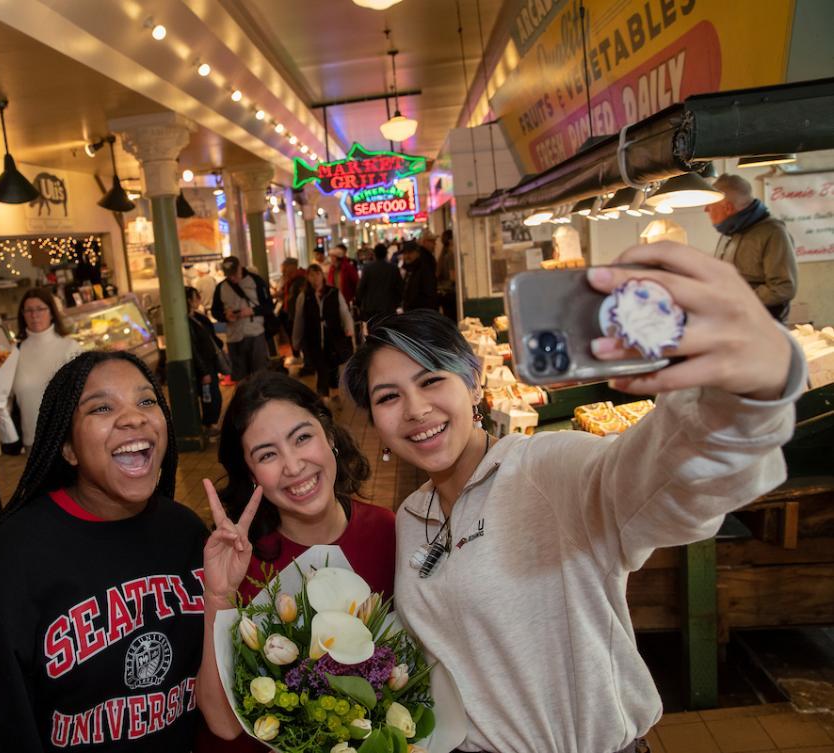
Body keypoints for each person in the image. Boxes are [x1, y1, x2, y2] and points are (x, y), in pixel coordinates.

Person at [340, 243, 806, 753]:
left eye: (432, 381)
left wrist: (744, 393)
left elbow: (663, 478)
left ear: (474, 383)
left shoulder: (546, 469)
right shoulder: (412, 516)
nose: (415, 410)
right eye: (388, 397)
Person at [0, 351, 209, 752]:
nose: (134, 418)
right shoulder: (11, 560)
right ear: (67, 448)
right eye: (102, 407)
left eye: (146, 401)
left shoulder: (188, 533)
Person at [195, 371, 395, 749]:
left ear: (330, 437)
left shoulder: (389, 532)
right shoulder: (241, 565)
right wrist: (218, 597)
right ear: (251, 474)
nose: (293, 465)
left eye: (302, 438)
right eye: (267, 454)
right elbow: (222, 724)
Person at [706, 172, 798, 321]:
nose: (705, 210)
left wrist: (737, 301)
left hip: (763, 327)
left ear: (728, 208)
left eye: (709, 206)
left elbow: (783, 288)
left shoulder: (774, 233)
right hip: (735, 323)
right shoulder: (729, 232)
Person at [11, 288, 82, 451]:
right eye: (28, 310)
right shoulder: (15, 352)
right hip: (32, 441)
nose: (34, 315)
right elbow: (6, 396)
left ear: (51, 312)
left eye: (40, 309)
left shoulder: (70, 348)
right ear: (22, 315)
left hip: (66, 439)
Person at [292, 263, 355, 403]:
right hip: (313, 340)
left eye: (317, 274)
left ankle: (334, 392)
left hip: (333, 338)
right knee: (321, 368)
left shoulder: (334, 293)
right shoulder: (304, 296)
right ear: (307, 278)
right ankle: (324, 400)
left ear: (323, 275)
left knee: (332, 366)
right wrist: (296, 342)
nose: (315, 278)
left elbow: (344, 312)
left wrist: (348, 327)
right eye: (311, 275)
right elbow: (299, 320)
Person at [212, 256, 273, 381]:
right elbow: (215, 311)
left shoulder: (256, 281)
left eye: (234, 274)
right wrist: (225, 316)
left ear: (240, 267)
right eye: (229, 275)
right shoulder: (221, 288)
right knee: (240, 377)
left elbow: (268, 306)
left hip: (256, 333)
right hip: (234, 337)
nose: (232, 278)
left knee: (259, 375)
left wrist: (252, 311)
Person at [187, 286, 224, 436]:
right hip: (204, 367)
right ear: (189, 300)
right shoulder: (188, 322)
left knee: (215, 396)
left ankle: (210, 424)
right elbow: (194, 349)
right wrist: (203, 371)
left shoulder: (197, 317)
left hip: (210, 364)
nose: (199, 300)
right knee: (211, 397)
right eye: (196, 297)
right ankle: (208, 425)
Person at [355, 242, 403, 325]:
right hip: (389, 307)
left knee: (374, 331)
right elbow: (400, 287)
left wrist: (359, 303)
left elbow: (361, 288)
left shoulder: (367, 268)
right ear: (386, 254)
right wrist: (397, 303)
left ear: (374, 254)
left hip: (371, 307)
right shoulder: (393, 268)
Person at [400, 239, 438, 311]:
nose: (407, 256)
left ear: (417, 253)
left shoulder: (424, 269)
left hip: (421, 314)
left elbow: (429, 295)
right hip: (412, 314)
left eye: (410, 253)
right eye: (405, 253)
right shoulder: (409, 269)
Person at [437, 228, 458, 321]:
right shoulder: (451, 255)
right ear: (450, 241)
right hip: (450, 293)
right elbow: (453, 277)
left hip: (443, 293)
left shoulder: (443, 255)